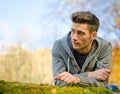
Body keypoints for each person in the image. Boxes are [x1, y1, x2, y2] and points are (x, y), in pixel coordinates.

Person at [52, 11, 112, 87]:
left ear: (93, 35)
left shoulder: (105, 47)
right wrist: (90, 74)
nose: (74, 37)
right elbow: (59, 82)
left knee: (114, 88)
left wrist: (77, 79)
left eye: (80, 33)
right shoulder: (59, 46)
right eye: (73, 31)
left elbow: (102, 84)